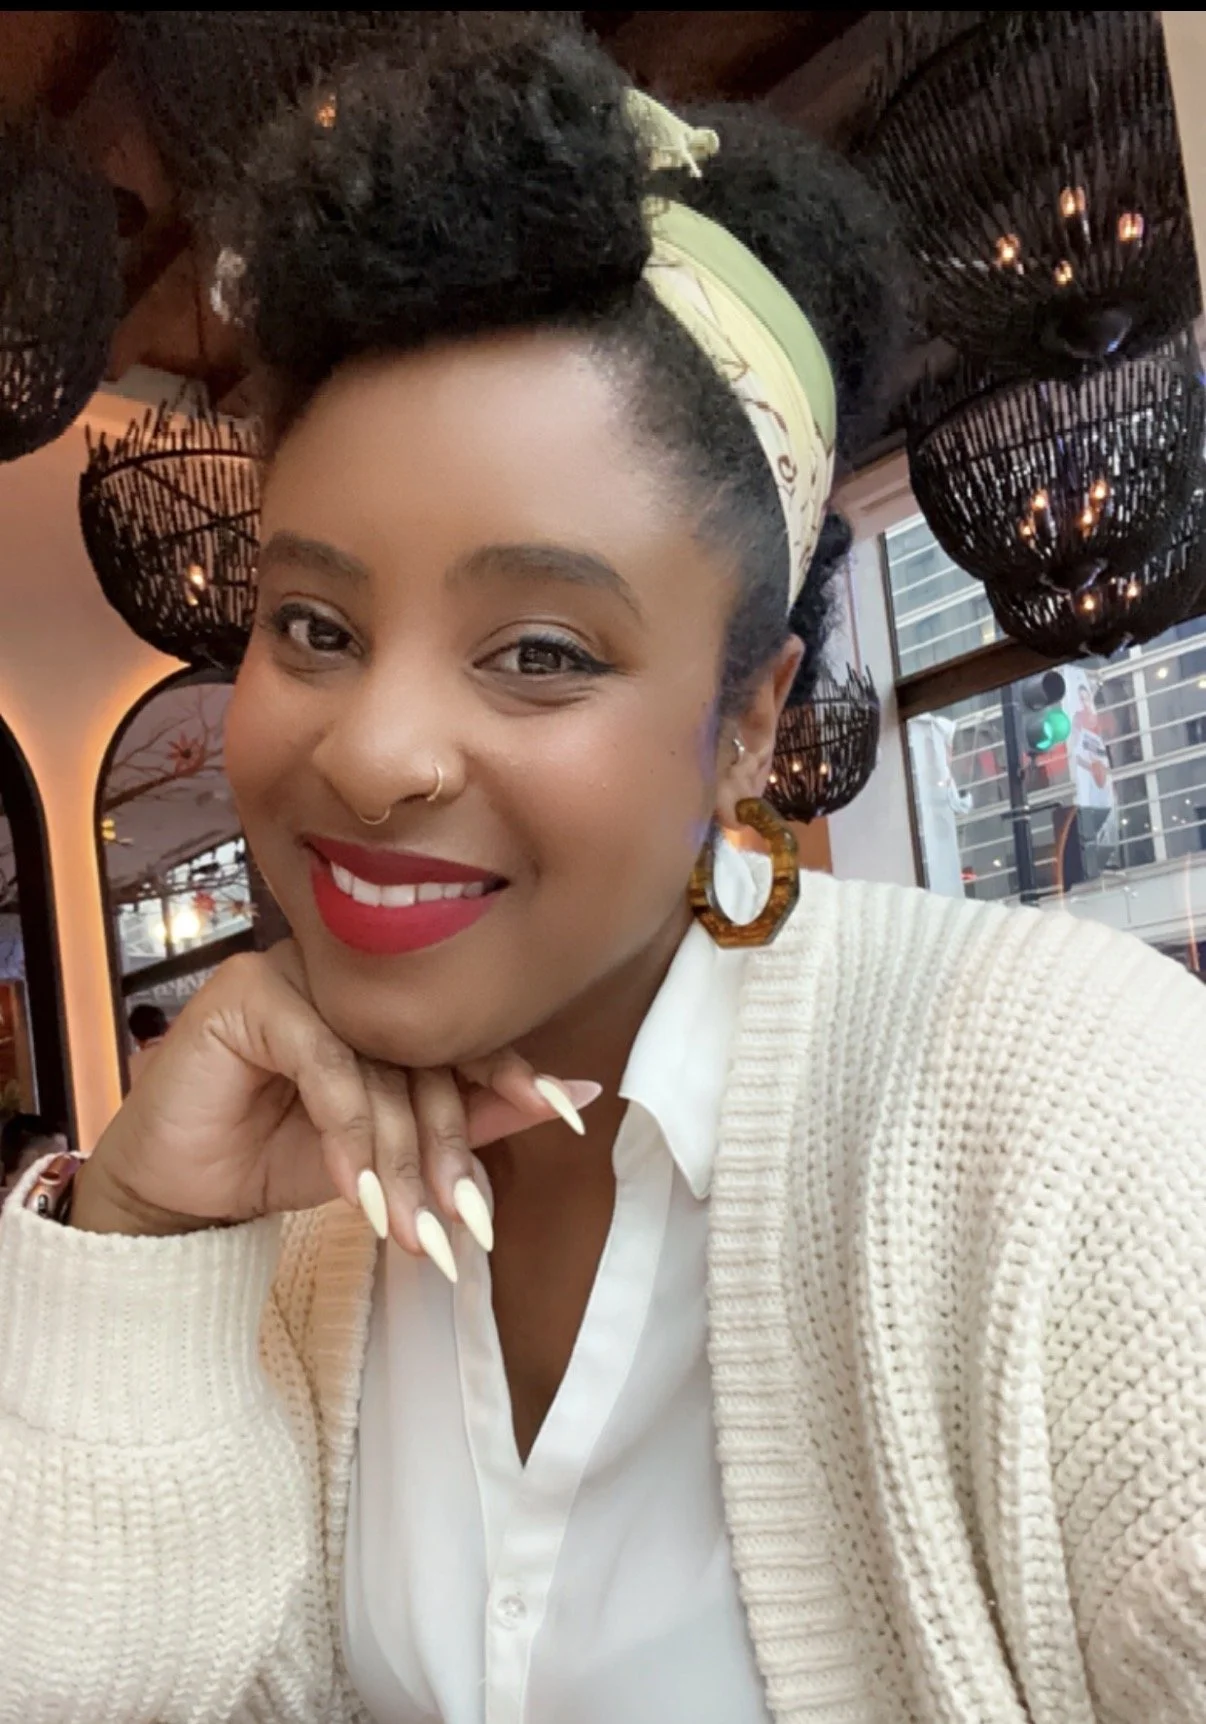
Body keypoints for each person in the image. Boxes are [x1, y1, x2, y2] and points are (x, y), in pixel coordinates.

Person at [1, 26, 1203, 1724]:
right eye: (316, 626)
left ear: (746, 722)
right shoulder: (285, 1226)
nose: (371, 751)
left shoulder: (1071, 1110)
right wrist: (133, 1235)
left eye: (543, 650)